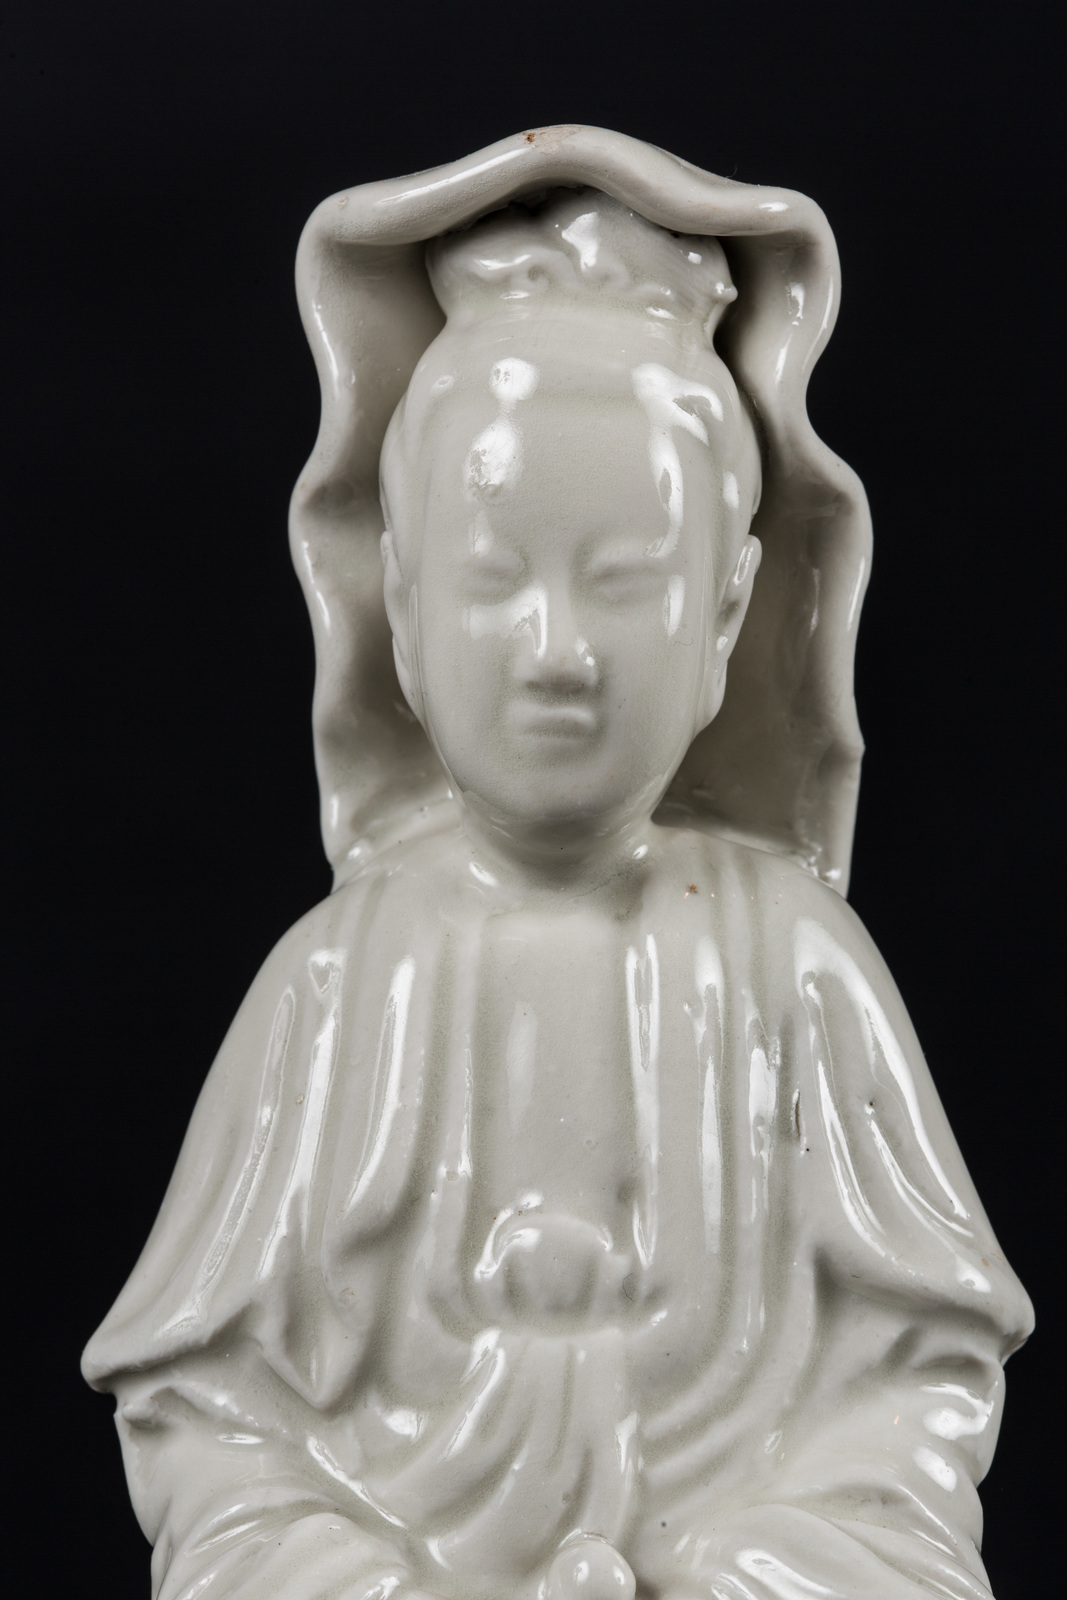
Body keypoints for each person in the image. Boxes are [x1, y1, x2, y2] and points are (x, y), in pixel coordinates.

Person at [84, 133, 1031, 1600]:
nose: (558, 655)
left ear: (729, 619)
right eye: (492, 576)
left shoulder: (794, 963)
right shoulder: (335, 984)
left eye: (625, 582)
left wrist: (751, 1568)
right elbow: (199, 1407)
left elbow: (920, 1381)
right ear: (401, 607)